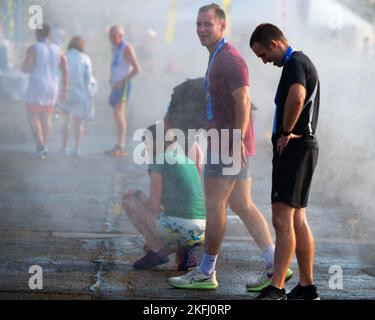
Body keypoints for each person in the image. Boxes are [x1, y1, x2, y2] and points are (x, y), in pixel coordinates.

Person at [168, 4, 292, 291]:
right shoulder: (217, 57)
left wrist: (233, 140)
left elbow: (243, 101)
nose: (201, 29)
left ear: (222, 26)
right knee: (241, 204)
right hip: (227, 141)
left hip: (228, 143)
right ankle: (276, 264)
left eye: (208, 24)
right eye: (198, 24)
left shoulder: (229, 59)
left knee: (215, 206)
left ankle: (206, 271)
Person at [250, 23, 320, 300]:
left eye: (262, 54)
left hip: (296, 146)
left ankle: (277, 286)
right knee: (297, 218)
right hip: (305, 147)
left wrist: (286, 131)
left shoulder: (294, 63)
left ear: (274, 44)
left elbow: (297, 96)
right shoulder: (301, 62)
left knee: (281, 219)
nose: (264, 61)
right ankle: (307, 287)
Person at [122, 122, 206, 271]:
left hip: (182, 227)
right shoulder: (185, 159)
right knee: (146, 246)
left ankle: (156, 251)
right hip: (201, 231)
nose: (145, 148)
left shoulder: (158, 161)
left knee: (129, 201)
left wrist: (138, 195)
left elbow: (154, 206)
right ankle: (185, 251)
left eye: (146, 143)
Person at [22, 24, 68, 159]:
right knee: (46, 117)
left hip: (37, 85)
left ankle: (41, 144)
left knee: (33, 116)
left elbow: (26, 67)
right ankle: (43, 146)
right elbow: (65, 70)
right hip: (53, 86)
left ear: (37, 34)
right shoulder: (58, 50)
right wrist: (65, 88)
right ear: (49, 35)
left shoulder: (34, 48)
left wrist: (23, 65)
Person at [106, 25, 140, 157]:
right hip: (115, 85)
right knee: (116, 115)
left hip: (124, 85)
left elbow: (137, 69)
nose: (111, 38)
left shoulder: (127, 48)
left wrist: (121, 81)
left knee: (119, 114)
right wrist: (111, 80)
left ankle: (121, 147)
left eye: (114, 36)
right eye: (110, 36)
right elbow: (115, 66)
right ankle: (118, 145)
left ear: (121, 36)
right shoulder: (114, 48)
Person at [60, 36, 97, 157]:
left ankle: (64, 147)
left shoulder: (64, 55)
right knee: (78, 122)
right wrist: (90, 94)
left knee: (66, 121)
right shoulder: (85, 59)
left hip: (66, 93)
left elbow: (60, 74)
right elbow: (89, 79)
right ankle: (77, 148)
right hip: (80, 94)